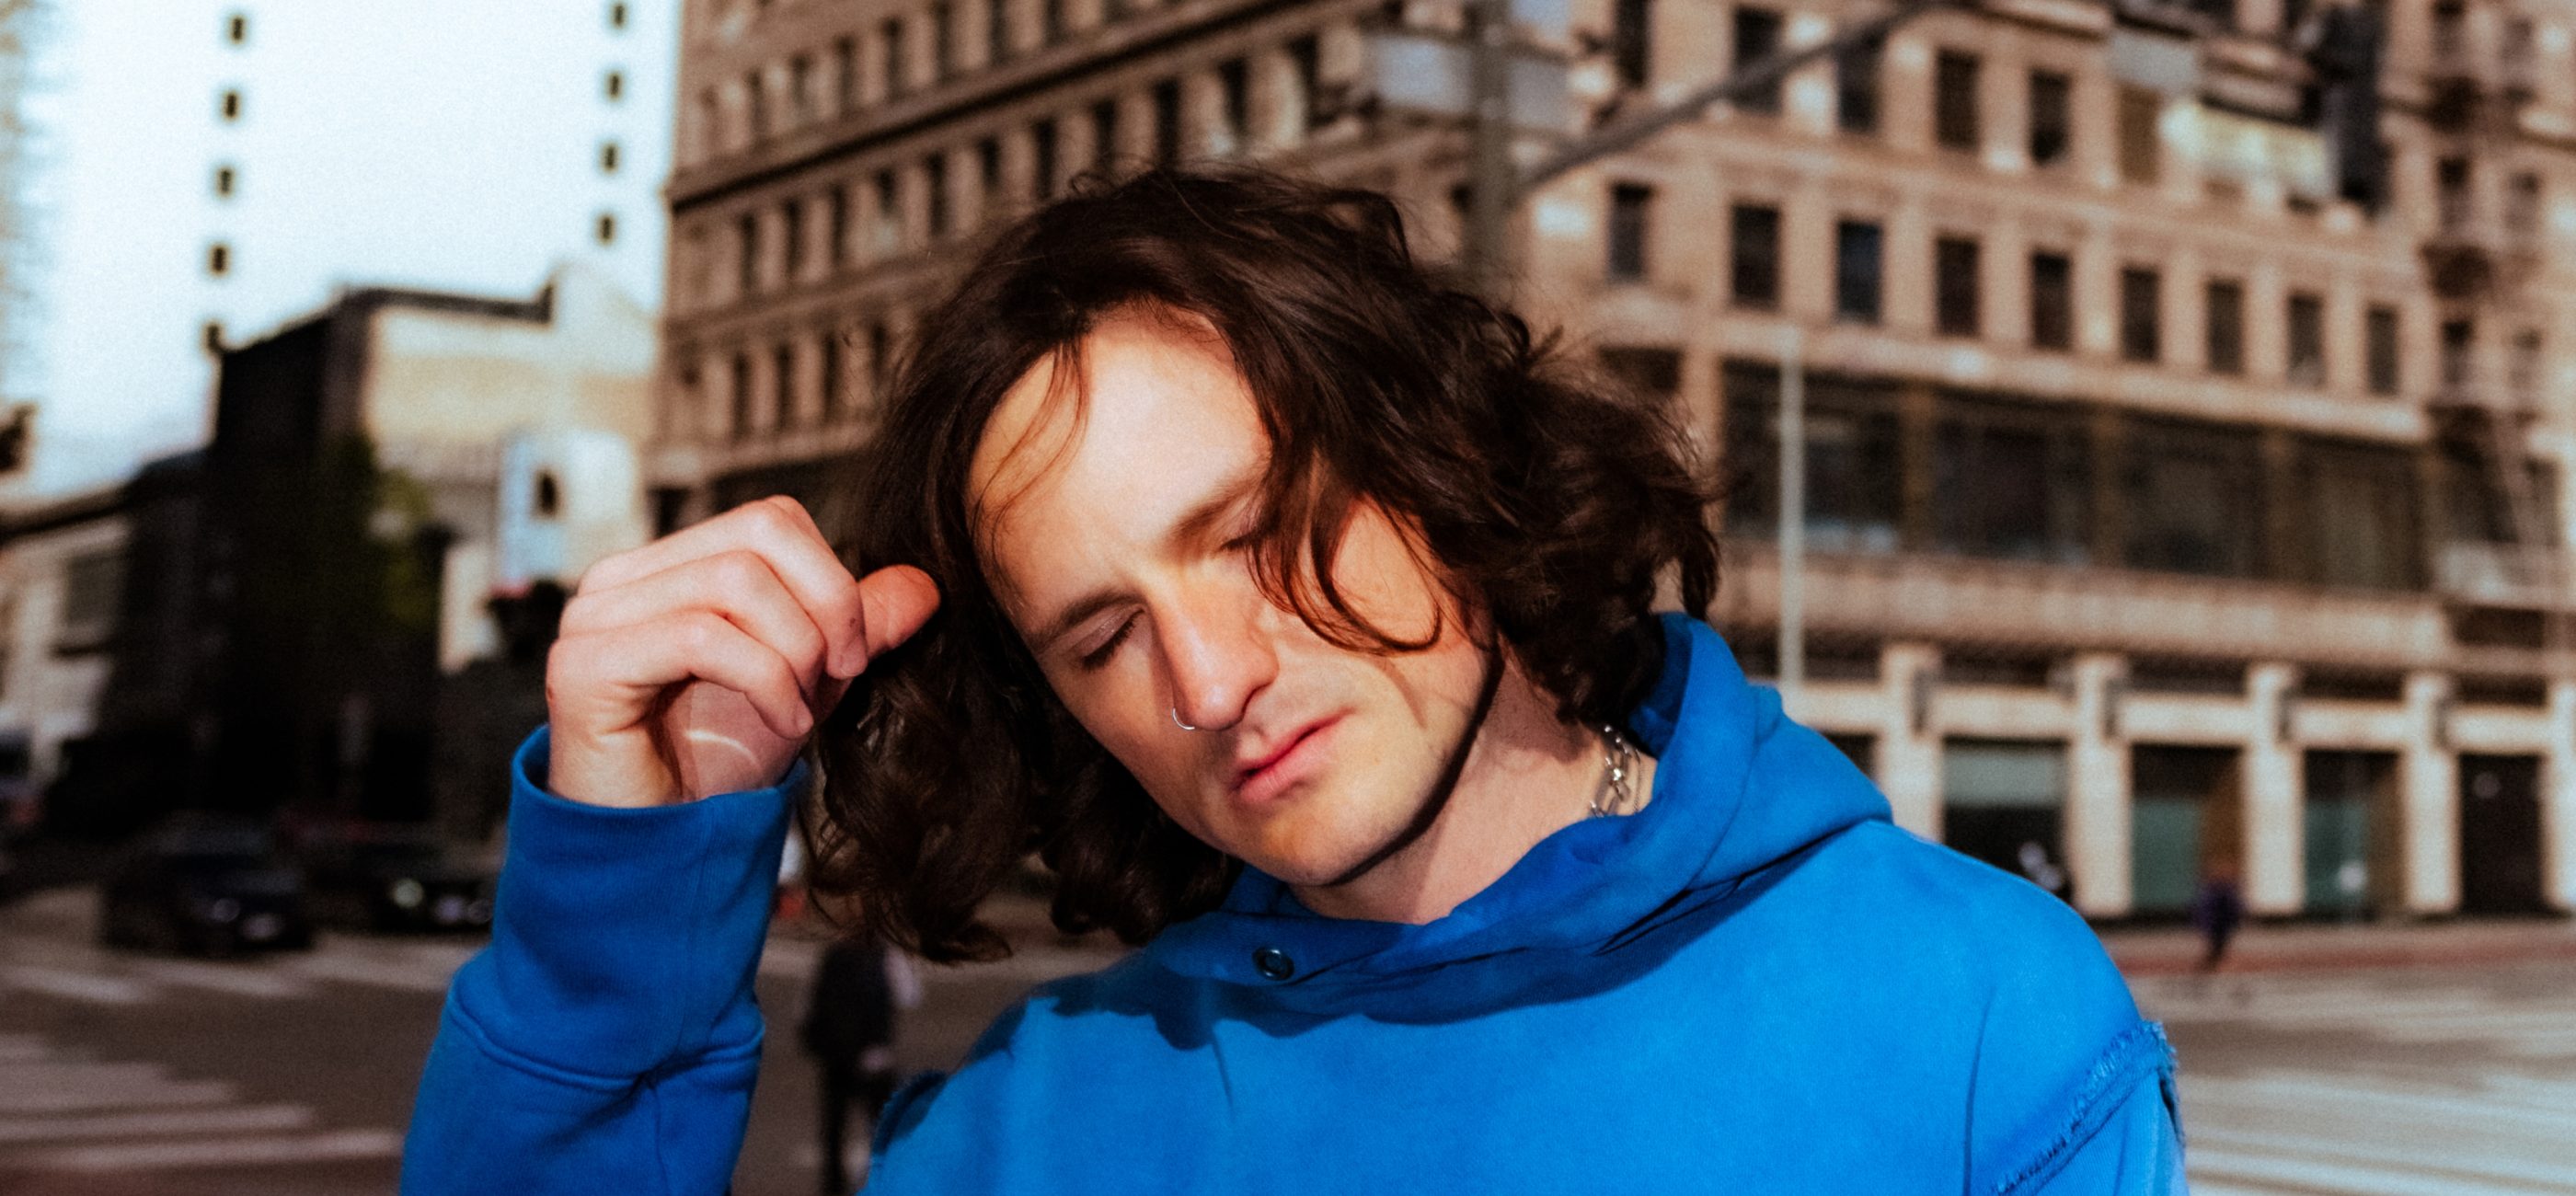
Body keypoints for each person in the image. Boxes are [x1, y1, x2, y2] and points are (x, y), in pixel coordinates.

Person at [400, 167, 2185, 1193]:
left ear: (1438, 459)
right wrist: (612, 956)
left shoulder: (1970, 1012)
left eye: (1254, 532)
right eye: (1100, 636)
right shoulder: (1033, 1130)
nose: (1207, 674)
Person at [799, 932, 918, 1193]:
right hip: (874, 1058)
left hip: (837, 1057)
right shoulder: (886, 955)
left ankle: (834, 1189)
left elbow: (810, 1002)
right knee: (879, 1130)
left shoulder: (833, 954)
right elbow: (909, 996)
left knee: (834, 1132)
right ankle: (879, 1185)